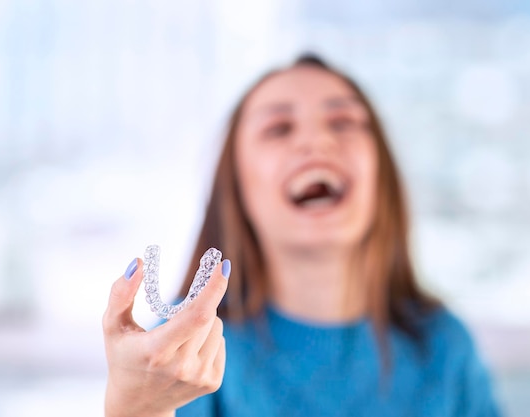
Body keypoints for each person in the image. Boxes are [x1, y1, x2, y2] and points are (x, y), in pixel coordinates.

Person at [102, 54, 501, 417]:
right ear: (236, 188)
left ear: (381, 175)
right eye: (279, 128)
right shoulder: (182, 354)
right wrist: (135, 410)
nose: (316, 141)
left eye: (343, 122)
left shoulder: (446, 346)